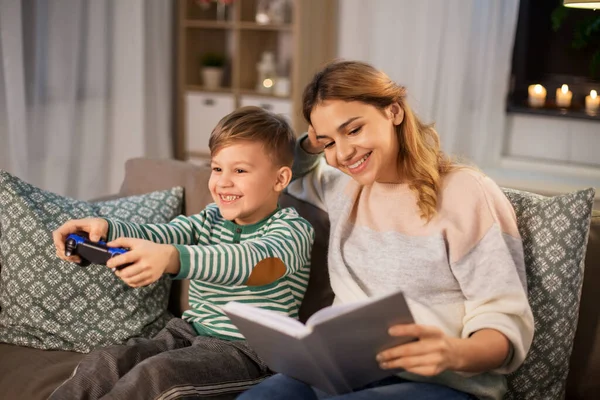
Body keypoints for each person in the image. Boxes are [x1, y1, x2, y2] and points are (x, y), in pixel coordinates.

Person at [237, 60, 534, 400]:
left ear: (394, 111)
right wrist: (313, 142)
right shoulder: (342, 189)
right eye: (329, 143)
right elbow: (285, 172)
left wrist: (455, 353)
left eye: (353, 130)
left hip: (440, 385)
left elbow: (504, 317)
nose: (343, 154)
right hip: (343, 373)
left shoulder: (466, 191)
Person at [49, 106, 315, 400]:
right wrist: (106, 229)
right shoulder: (210, 218)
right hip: (187, 332)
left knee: (158, 376)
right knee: (106, 362)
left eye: (239, 170)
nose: (223, 182)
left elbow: (257, 263)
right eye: (217, 168)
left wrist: (174, 258)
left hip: (251, 352)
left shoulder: (292, 230)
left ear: (279, 180)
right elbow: (163, 234)